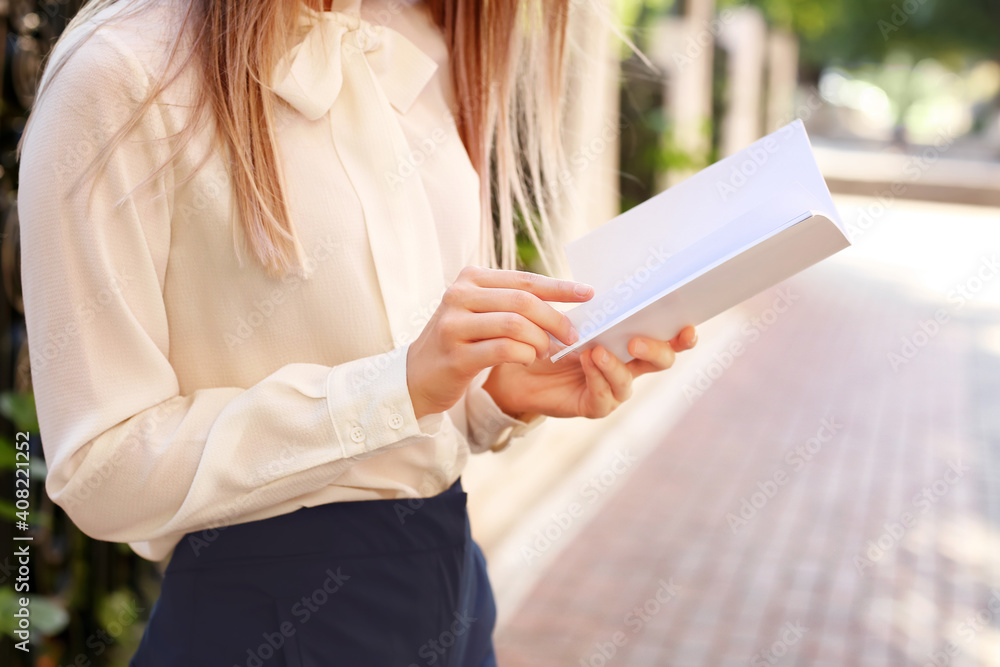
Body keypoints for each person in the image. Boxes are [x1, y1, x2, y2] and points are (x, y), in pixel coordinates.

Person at [16, 0, 698, 664]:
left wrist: (493, 396)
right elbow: (100, 466)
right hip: (267, 617)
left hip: (448, 587)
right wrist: (393, 387)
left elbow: (407, 395)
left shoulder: (409, 36)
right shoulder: (122, 71)